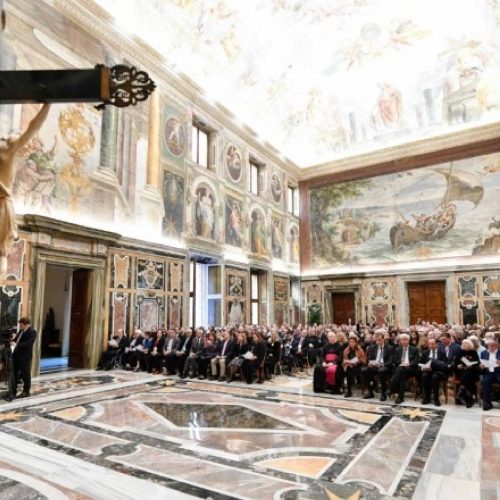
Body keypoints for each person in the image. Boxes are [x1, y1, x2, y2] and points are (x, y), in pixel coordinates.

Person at [0, 104, 50, 279]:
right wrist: (47, 104)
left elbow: (32, 128)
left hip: (3, 205)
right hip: (3, 205)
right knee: (2, 252)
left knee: (2, 252)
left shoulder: (7, 149)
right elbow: (33, 127)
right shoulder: (8, 148)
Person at [362, 330, 393, 401]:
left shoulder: (389, 348)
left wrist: (382, 364)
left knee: (381, 370)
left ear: (383, 339)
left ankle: (383, 393)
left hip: (385, 367)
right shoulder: (372, 347)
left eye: (380, 340)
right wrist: (370, 363)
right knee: (364, 370)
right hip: (374, 366)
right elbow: (369, 358)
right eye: (376, 340)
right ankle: (370, 392)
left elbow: (390, 361)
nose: (378, 342)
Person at [389, 333, 420, 404]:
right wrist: (401, 363)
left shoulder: (415, 349)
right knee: (402, 375)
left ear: (408, 340)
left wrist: (408, 364)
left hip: (411, 369)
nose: (401, 341)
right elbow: (395, 360)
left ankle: (392, 388)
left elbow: (416, 361)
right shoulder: (398, 349)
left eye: (403, 340)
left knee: (401, 370)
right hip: (401, 369)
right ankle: (400, 397)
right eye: (400, 340)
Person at [12, 317, 37, 398]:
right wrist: (12, 340)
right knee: (14, 373)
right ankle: (13, 390)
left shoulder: (33, 332)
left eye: (21, 325)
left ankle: (26, 391)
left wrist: (17, 344)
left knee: (26, 375)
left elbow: (28, 344)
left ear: (26, 324)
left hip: (25, 357)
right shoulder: (21, 331)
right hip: (16, 356)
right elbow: (16, 340)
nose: (20, 326)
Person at [419, 338, 448, 406]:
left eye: (433, 344)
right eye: (430, 344)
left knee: (435, 377)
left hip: (438, 371)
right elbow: (421, 364)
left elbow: (445, 365)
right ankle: (426, 398)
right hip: (428, 371)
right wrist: (424, 368)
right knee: (424, 376)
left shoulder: (442, 352)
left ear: (436, 344)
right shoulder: (425, 352)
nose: (431, 345)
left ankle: (436, 399)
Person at [455, 338, 481, 408]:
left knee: (467, 375)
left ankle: (462, 391)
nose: (463, 345)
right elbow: (456, 363)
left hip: (472, 371)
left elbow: (477, 363)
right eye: (463, 344)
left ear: (469, 345)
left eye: (465, 344)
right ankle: (470, 398)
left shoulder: (473, 352)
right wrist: (459, 366)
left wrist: (471, 365)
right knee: (466, 377)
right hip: (462, 371)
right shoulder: (460, 352)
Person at [480, 337, 500, 411]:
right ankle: (487, 403)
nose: (491, 347)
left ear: (497, 345)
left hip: (498, 372)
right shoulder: (484, 353)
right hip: (488, 373)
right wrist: (481, 367)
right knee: (485, 381)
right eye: (489, 345)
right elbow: (482, 366)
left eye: (493, 345)